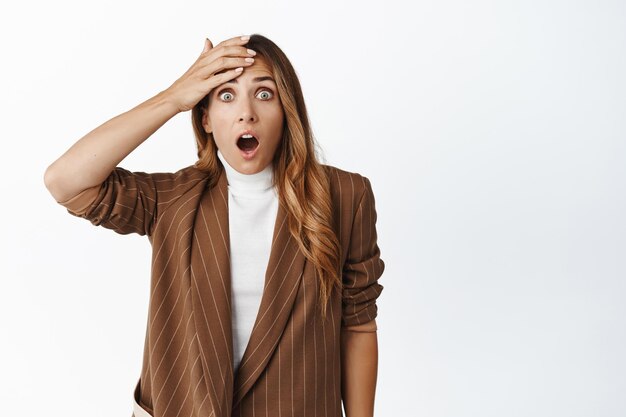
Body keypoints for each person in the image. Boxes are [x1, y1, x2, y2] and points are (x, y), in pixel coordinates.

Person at [44, 33, 385, 417]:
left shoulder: (344, 196)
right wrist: (173, 97)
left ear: (287, 111)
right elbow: (65, 180)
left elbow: (358, 327)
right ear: (205, 119)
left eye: (264, 93)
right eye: (226, 95)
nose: (246, 113)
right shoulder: (173, 200)